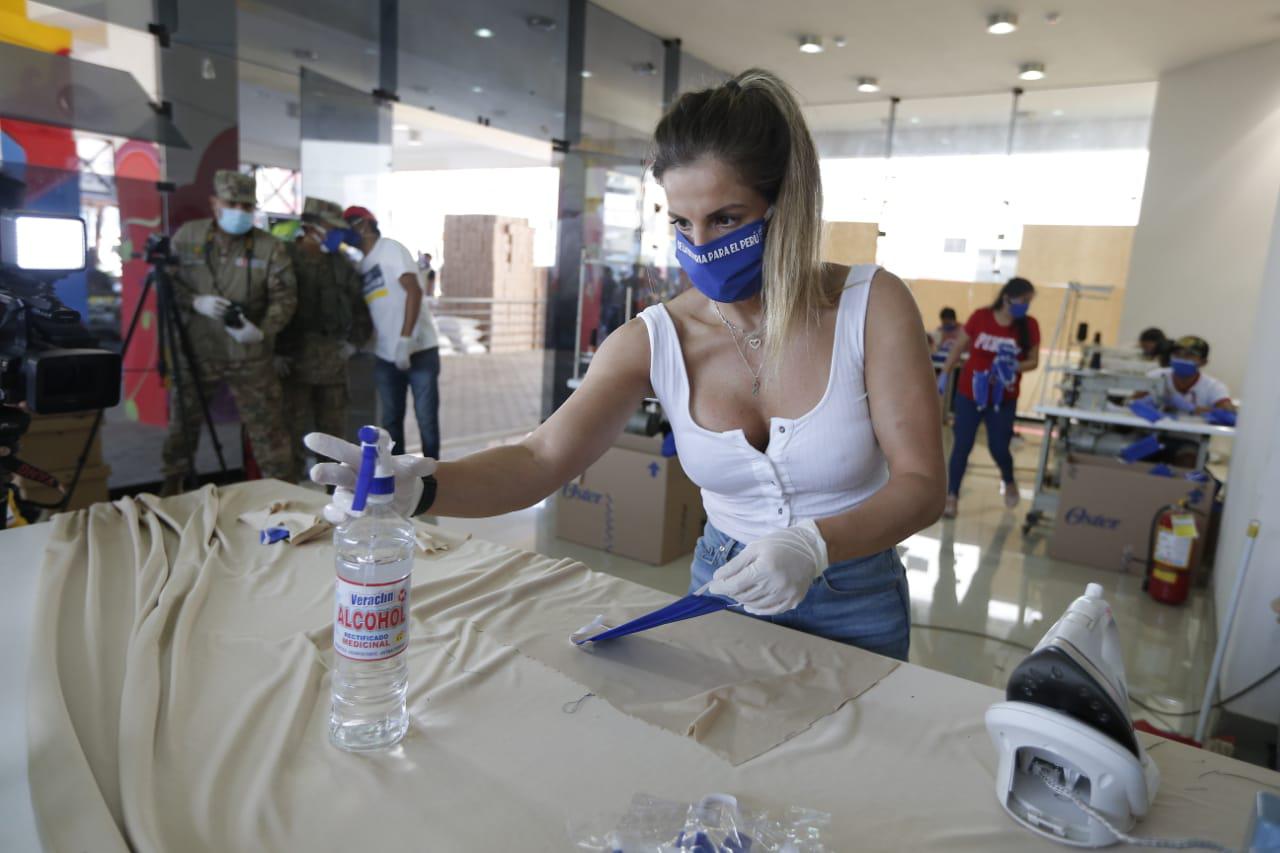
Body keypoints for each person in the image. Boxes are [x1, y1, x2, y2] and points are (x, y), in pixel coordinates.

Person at [308, 69, 945, 661]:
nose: (700, 245)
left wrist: (816, 544)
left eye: (726, 218)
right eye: (681, 221)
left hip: (855, 594)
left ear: (785, 207)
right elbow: (540, 459)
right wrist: (425, 487)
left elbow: (920, 485)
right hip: (723, 586)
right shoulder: (655, 338)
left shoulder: (870, 306)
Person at [160, 170, 297, 495]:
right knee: (182, 429)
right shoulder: (188, 238)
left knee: (270, 434)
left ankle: (286, 500)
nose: (240, 211)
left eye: (247, 206)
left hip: (249, 355)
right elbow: (167, 286)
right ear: (215, 203)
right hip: (198, 351)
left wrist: (261, 332)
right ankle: (168, 493)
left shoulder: (269, 247)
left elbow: (286, 298)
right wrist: (196, 302)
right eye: (232, 203)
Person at [275, 197, 372, 479]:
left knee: (332, 435)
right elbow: (268, 303)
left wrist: (355, 342)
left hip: (332, 361)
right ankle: (289, 491)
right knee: (291, 432)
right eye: (332, 228)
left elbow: (359, 307)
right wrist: (274, 352)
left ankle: (334, 493)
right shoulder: (284, 258)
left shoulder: (340, 264)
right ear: (311, 226)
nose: (337, 234)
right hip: (294, 360)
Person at [342, 205, 441, 460]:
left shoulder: (390, 248)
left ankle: (435, 478)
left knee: (426, 419)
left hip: (419, 349)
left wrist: (405, 340)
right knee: (391, 422)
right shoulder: (361, 267)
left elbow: (414, 290)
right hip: (385, 356)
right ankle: (397, 479)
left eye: (347, 227)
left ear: (363, 225)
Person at [937, 277, 1040, 518]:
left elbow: (1033, 361)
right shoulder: (980, 317)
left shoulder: (1029, 325)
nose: (1025, 306)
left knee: (998, 446)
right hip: (970, 394)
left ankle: (1009, 480)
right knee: (962, 445)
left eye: (1028, 302)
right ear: (1007, 297)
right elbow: (958, 347)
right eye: (1023, 300)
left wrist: (1013, 365)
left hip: (1003, 397)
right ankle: (951, 495)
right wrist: (944, 373)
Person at [1145, 335, 1233, 415]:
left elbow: (1228, 413)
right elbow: (1133, 402)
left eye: (1189, 355)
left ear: (1203, 362)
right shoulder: (1155, 376)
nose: (1181, 358)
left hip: (1194, 432)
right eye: (1177, 354)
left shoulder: (1214, 387)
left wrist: (1192, 408)